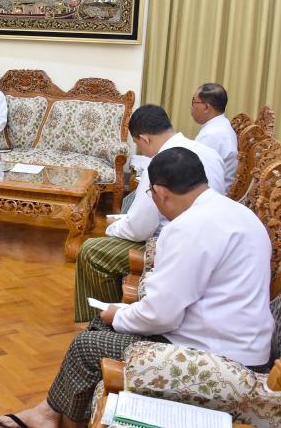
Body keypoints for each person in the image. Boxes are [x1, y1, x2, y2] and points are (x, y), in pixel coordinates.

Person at [0, 148, 273, 428]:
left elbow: (161, 316)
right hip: (238, 343)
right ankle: (48, 413)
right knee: (99, 325)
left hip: (223, 359)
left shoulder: (190, 227)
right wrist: (119, 315)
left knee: (86, 347)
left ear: (160, 192)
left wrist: (120, 314)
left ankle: (55, 419)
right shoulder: (235, 212)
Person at [73, 105, 225, 322]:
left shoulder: (160, 164)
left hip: (172, 244)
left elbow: (141, 229)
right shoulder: (209, 153)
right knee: (128, 205)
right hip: (210, 237)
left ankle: (98, 320)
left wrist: (113, 226)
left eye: (137, 144)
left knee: (91, 251)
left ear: (144, 139)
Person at [191, 83, 238, 189]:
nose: (191, 106)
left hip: (212, 192)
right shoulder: (220, 124)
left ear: (206, 107)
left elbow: (195, 174)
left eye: (194, 102)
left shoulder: (212, 135)